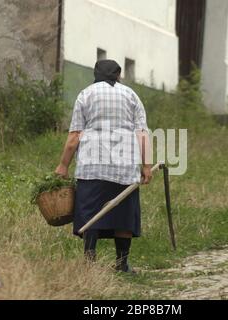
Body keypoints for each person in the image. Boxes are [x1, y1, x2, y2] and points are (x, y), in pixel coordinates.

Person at [55, 59, 152, 273]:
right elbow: (142, 134)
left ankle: (89, 263)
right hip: (124, 168)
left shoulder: (86, 94)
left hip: (92, 167)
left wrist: (63, 165)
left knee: (90, 214)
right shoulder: (131, 95)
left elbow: (74, 136)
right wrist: (146, 166)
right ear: (118, 75)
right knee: (124, 216)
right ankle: (122, 264)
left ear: (95, 74)